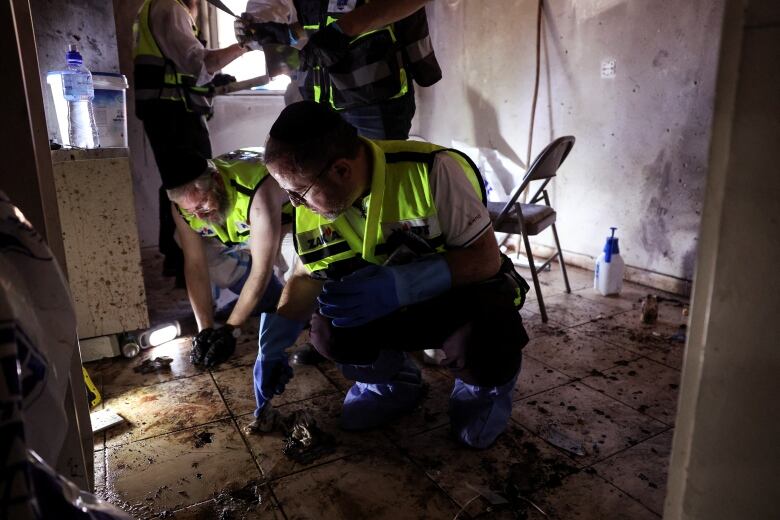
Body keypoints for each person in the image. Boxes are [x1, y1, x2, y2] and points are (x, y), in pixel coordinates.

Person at [255, 101, 530, 448]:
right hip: (385, 309)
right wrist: (274, 345)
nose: (294, 204)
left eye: (298, 192)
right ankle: (393, 386)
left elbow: (485, 259)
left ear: (341, 170)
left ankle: (480, 396)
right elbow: (304, 276)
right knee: (327, 330)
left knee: (489, 338)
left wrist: (404, 283)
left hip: (457, 302)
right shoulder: (314, 207)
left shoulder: (431, 170)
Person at [235, 0, 441, 364]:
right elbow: (318, 19)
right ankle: (340, 325)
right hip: (321, 96)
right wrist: (281, 34)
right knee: (328, 214)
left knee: (384, 219)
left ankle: (405, 329)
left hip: (373, 96)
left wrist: (344, 30)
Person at [166, 148, 296, 432]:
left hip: (283, 225)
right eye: (191, 211)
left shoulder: (256, 190)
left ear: (216, 180)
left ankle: (297, 304)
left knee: (295, 258)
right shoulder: (183, 205)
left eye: (202, 205)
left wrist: (231, 329)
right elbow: (196, 266)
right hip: (239, 230)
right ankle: (268, 300)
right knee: (187, 240)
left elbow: (261, 269)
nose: (198, 214)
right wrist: (206, 329)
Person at [133, 0, 249, 284]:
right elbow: (198, 64)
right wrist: (247, 44)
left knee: (181, 185)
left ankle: (181, 258)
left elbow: (181, 66)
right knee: (193, 184)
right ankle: (190, 259)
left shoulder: (161, 8)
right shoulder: (169, 7)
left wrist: (213, 80)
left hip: (170, 108)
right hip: (173, 110)